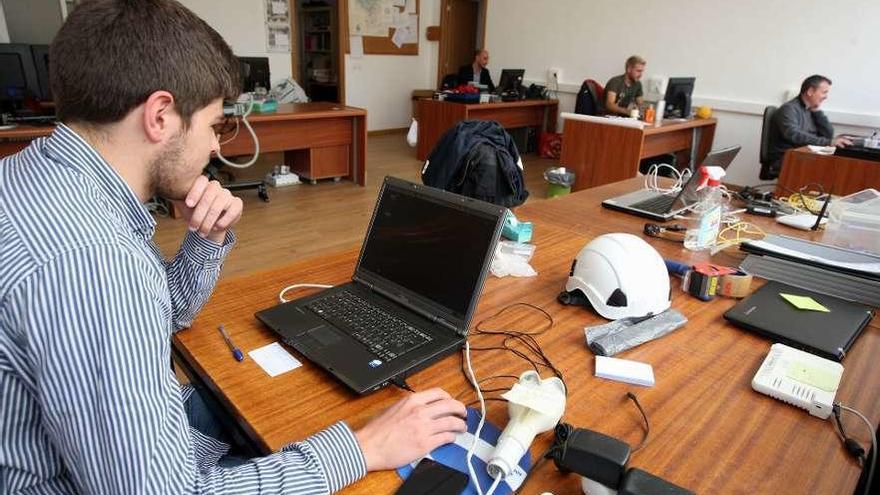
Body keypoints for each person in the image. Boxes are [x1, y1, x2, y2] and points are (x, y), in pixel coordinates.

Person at [0, 1, 466, 493]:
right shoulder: (93, 262)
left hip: (101, 448)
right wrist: (360, 448)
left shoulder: (39, 179)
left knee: (290, 389)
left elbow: (166, 314)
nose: (218, 149)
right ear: (160, 115)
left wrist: (208, 236)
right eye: (215, 125)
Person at [765, 74, 852, 178]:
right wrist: (828, 142)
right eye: (824, 92)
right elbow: (793, 134)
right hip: (787, 157)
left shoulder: (810, 110)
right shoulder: (788, 109)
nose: (825, 97)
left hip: (804, 155)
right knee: (832, 170)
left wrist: (817, 112)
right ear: (810, 91)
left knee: (839, 165)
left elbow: (828, 133)